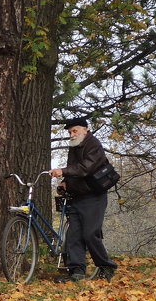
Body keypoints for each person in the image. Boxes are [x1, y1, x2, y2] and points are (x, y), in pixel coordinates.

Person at [49, 117, 118, 282]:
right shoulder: (74, 146)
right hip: (77, 196)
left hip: (94, 196)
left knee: (90, 234)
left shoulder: (93, 145)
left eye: (75, 131)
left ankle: (106, 266)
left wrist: (63, 171)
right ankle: (76, 272)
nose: (72, 135)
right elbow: (75, 171)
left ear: (85, 130)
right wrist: (65, 182)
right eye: (70, 132)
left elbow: (86, 168)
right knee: (74, 236)